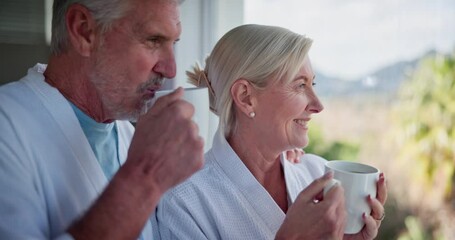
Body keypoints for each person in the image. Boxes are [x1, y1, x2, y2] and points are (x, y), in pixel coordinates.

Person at [153, 24, 388, 239]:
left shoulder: (318, 174)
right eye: (300, 85)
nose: (318, 105)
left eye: (312, 84)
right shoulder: (184, 202)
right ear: (246, 97)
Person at [0, 0, 204, 239]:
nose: (170, 70)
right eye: (153, 40)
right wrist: (145, 177)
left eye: (173, 42)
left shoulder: (131, 137)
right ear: (84, 31)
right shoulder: (7, 126)